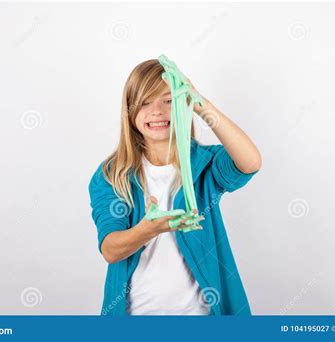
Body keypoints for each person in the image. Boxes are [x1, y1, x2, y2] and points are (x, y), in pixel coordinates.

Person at [88, 58, 262, 316]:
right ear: (130, 111)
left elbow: (250, 162)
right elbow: (111, 250)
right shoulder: (112, 176)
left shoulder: (204, 164)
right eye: (145, 102)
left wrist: (201, 104)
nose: (157, 110)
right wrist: (148, 229)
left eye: (169, 100)